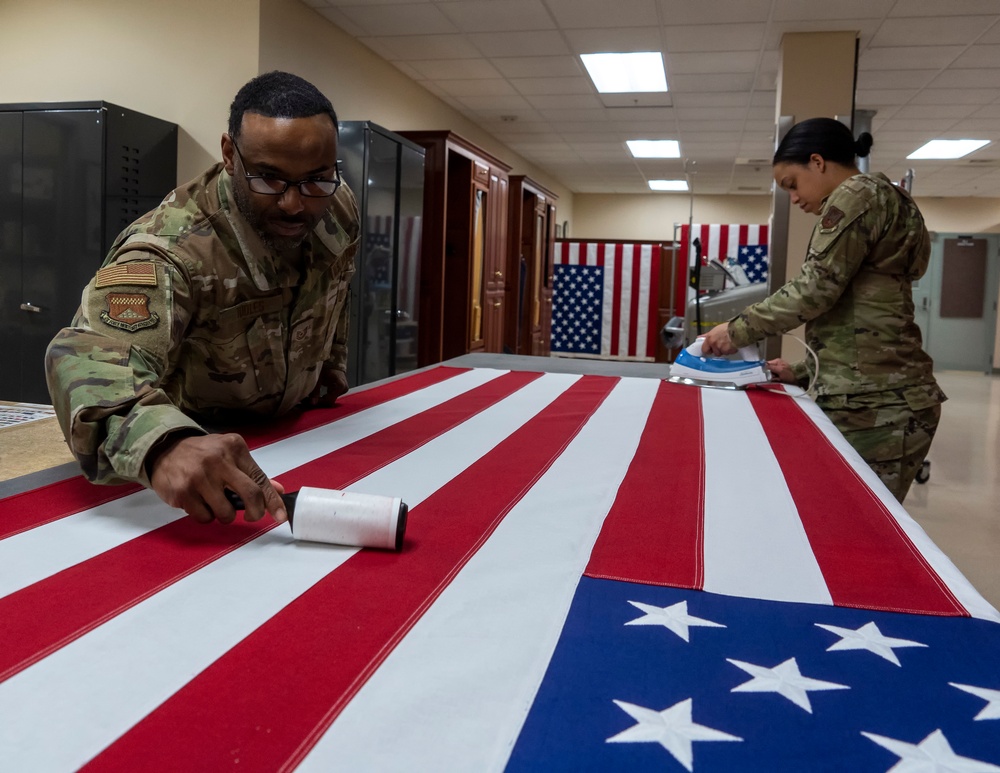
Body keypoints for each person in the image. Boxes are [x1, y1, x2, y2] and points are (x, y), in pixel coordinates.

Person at [45, 71, 360, 525]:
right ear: (230, 155)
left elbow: (337, 285)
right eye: (269, 178)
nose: (295, 204)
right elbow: (86, 358)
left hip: (302, 437)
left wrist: (331, 369)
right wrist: (165, 445)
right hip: (203, 464)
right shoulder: (170, 250)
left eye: (316, 178)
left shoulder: (338, 205)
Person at [700, 117, 945, 503]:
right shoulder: (888, 197)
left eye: (792, 185)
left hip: (878, 405)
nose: (793, 199)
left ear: (817, 162)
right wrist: (804, 370)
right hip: (879, 396)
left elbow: (815, 290)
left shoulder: (857, 195)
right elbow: (863, 313)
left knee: (853, 529)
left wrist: (734, 331)